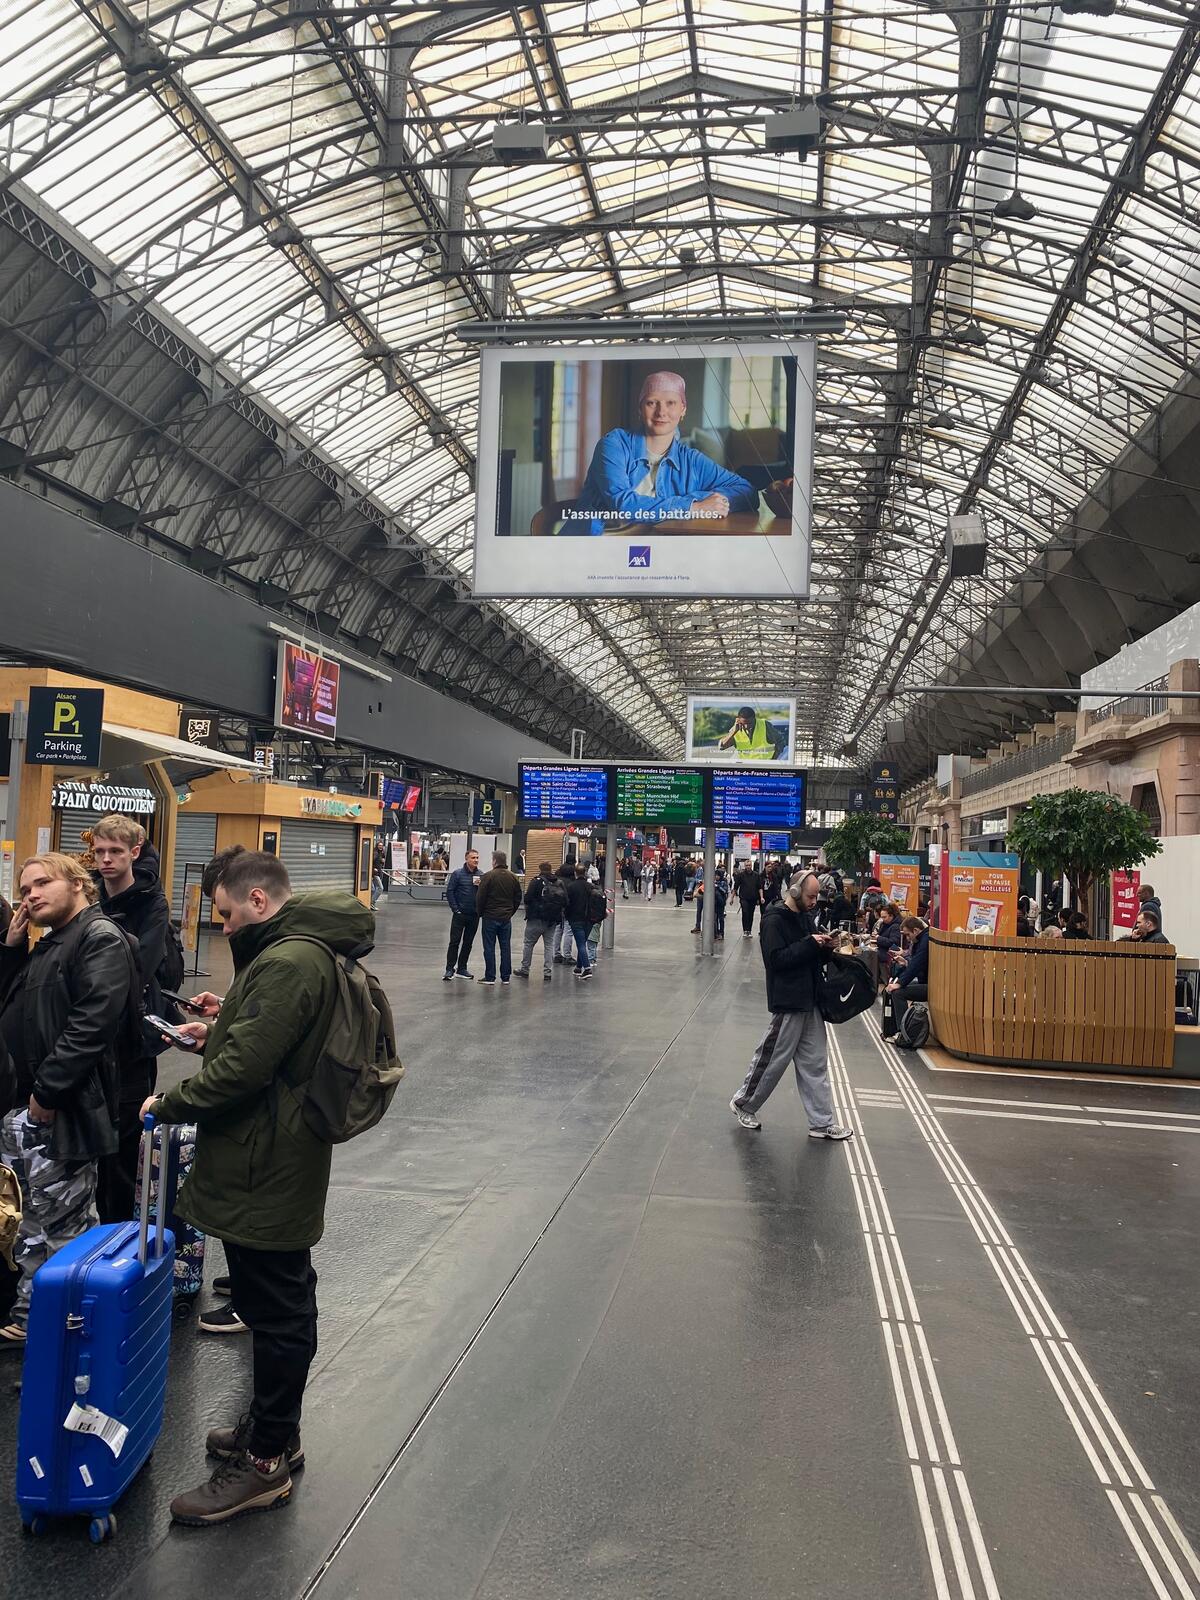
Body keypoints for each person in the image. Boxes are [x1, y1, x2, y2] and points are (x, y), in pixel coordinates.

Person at [141, 849, 373, 1526]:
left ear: (259, 902)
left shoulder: (288, 961)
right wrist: (218, 1026)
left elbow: (246, 1069)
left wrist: (168, 1103)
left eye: (225, 913)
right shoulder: (294, 954)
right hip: (271, 1150)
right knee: (275, 1297)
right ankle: (276, 1432)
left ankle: (266, 1461)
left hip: (267, 1155)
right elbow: (268, 1040)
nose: (222, 925)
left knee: (277, 1309)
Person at [0, 854, 139, 1348]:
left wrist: (49, 1089)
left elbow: (93, 1022)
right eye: (25, 889)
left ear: (78, 884)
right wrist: (12, 949)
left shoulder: (97, 937)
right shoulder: (51, 943)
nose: (31, 895)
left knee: (64, 1224)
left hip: (61, 1110)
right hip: (28, 1111)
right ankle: (34, 1317)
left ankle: (68, 1331)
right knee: (31, 1221)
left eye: (42, 883)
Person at [90, 814, 173, 1224]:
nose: (106, 859)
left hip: (134, 1038)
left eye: (115, 851)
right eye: (100, 851)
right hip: (96, 1038)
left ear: (134, 852)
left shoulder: (152, 902)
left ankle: (122, 1232)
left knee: (126, 1148)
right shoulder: (90, 896)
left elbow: (141, 964)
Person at [729, 870, 853, 1140]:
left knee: (815, 1063)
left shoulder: (805, 917)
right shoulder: (774, 920)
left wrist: (824, 947)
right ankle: (743, 1103)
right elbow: (776, 960)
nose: (814, 902)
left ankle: (821, 1122)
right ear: (795, 892)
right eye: (810, 896)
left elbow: (808, 955)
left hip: (810, 1000)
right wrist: (810, 944)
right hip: (789, 1002)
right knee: (773, 1059)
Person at [569, 371, 758, 535]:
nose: (661, 412)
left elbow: (746, 491)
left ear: (683, 409)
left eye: (671, 403)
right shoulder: (614, 444)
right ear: (640, 408)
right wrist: (693, 507)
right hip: (594, 546)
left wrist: (706, 503)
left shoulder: (691, 460)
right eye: (652, 403)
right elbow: (622, 504)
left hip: (656, 548)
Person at [475, 852, 522, 986]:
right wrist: (510, 912)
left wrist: (480, 913)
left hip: (490, 917)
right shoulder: (513, 877)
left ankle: (490, 977)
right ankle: (505, 977)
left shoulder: (488, 876)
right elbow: (518, 897)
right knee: (505, 947)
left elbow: (480, 897)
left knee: (489, 947)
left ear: (494, 861)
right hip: (506, 918)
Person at [515, 862, 561, 982]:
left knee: (529, 944)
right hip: (551, 920)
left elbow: (527, 898)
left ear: (540, 869)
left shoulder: (536, 881)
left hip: (536, 918)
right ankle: (547, 972)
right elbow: (565, 900)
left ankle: (525, 969)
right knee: (549, 945)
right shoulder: (558, 882)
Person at [886, 916, 930, 1037]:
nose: (907, 938)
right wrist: (906, 963)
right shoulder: (924, 938)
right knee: (895, 989)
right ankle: (895, 1029)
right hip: (927, 981)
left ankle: (904, 1033)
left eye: (907, 935)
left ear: (915, 930)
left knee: (898, 992)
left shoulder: (925, 940)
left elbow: (917, 964)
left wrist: (899, 983)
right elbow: (918, 964)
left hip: (931, 986)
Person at [443, 848, 481, 981]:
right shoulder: (457, 874)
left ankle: (462, 968)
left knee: (468, 943)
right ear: (466, 859)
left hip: (474, 916)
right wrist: (456, 909)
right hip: (460, 915)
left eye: (477, 858)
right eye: (473, 858)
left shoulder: (481, 875)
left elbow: (482, 894)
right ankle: (449, 969)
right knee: (454, 942)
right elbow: (450, 892)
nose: (476, 860)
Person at [716, 707, 787, 762]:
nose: (746, 726)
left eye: (749, 723)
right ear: (738, 720)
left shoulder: (765, 725)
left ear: (754, 719)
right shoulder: (735, 729)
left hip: (764, 767)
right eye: (744, 723)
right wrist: (733, 732)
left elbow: (780, 741)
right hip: (746, 767)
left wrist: (773, 760)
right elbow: (721, 747)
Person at [564, 865, 595, 979]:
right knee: (582, 942)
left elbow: (567, 903)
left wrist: (567, 916)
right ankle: (578, 967)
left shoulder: (571, 887)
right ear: (585, 873)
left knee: (580, 944)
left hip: (576, 919)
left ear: (575, 873)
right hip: (589, 920)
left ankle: (587, 969)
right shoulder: (590, 886)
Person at [873, 901, 903, 978]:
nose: (882, 919)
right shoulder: (885, 924)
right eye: (881, 917)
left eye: (884, 917)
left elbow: (893, 942)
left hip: (889, 953)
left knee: (871, 955)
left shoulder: (895, 926)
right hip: (884, 950)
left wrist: (878, 938)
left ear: (891, 916)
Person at [735, 860, 762, 938]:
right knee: (745, 912)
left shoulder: (756, 875)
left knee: (751, 914)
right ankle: (745, 930)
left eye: (749, 865)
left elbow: (759, 887)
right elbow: (736, 887)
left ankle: (749, 930)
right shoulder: (741, 875)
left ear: (751, 866)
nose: (748, 867)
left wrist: (761, 897)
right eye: (746, 865)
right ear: (744, 866)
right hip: (744, 898)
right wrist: (732, 898)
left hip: (753, 898)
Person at [713, 867, 728, 941]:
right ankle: (715, 933)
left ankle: (721, 933)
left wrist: (718, 887)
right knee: (715, 918)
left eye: (718, 875)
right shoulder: (713, 882)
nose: (716, 877)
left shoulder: (723, 882)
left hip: (721, 903)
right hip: (714, 902)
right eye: (715, 875)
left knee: (721, 918)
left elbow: (725, 891)